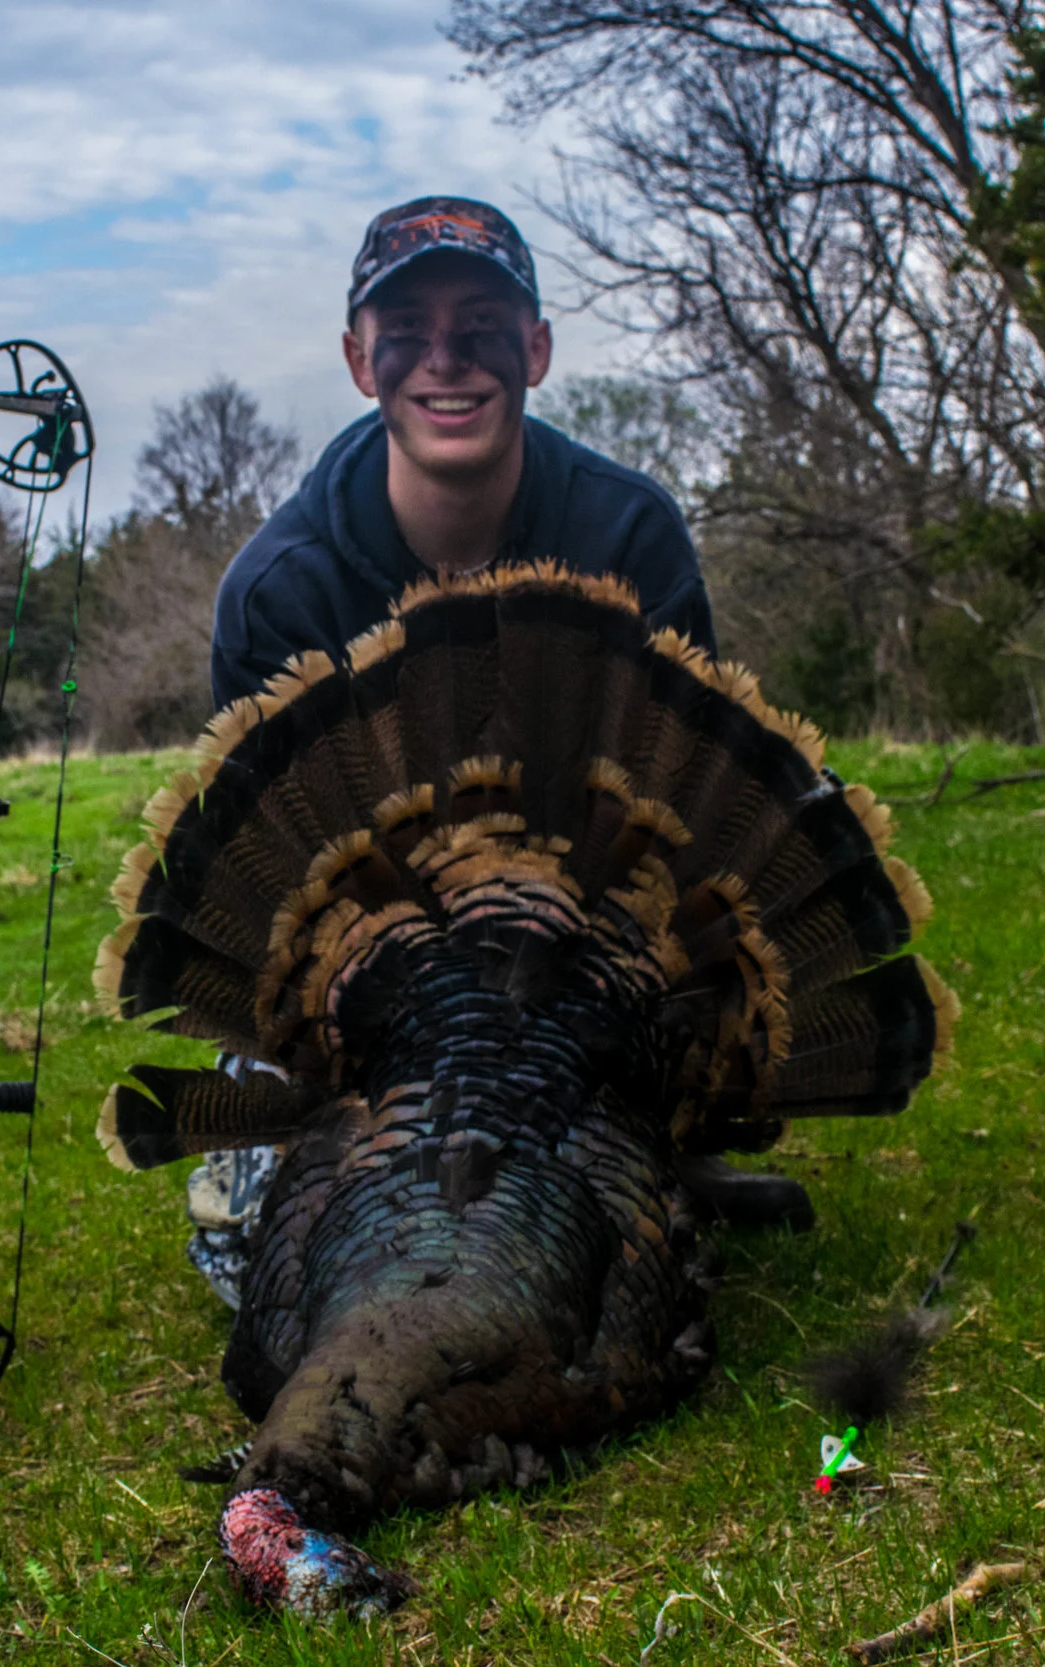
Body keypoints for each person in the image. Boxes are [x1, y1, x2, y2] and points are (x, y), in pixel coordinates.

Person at [184, 197, 808, 1309]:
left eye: (479, 327)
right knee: (267, 1274)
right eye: (407, 331)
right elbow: (277, 902)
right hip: (370, 1002)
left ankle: (630, 1139)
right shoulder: (283, 589)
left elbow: (684, 826)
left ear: (535, 349)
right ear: (355, 359)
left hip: (581, 972)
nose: (445, 360)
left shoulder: (627, 536)